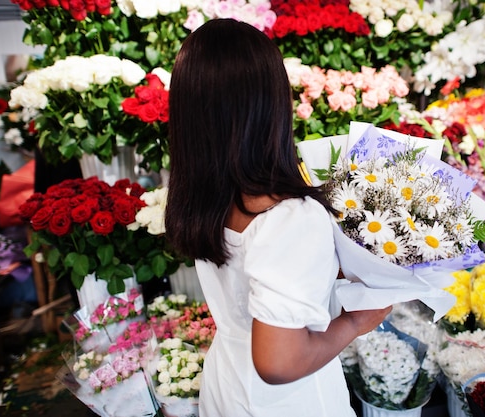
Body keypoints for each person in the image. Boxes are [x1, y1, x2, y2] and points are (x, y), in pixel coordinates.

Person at [165, 18, 392, 417]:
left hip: (227, 381)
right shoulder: (289, 217)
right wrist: (355, 323)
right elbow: (279, 363)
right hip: (288, 401)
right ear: (271, 104)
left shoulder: (204, 197)